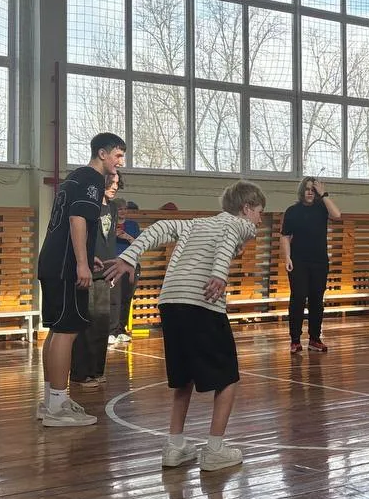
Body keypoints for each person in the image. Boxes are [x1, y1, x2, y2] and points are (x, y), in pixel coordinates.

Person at [105, 180, 266, 472]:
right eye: (259, 212)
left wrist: (129, 256)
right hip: (200, 301)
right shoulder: (238, 224)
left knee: (183, 378)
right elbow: (230, 238)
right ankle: (215, 449)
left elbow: (159, 228)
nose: (259, 220)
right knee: (228, 377)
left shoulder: (196, 224)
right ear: (246, 208)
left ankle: (175, 445)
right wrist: (219, 274)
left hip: (170, 301)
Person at [34, 132, 125, 427]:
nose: (121, 162)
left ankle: (51, 401)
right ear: (102, 153)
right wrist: (81, 263)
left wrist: (87, 255)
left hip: (53, 262)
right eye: (118, 155)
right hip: (65, 267)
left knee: (56, 330)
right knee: (67, 331)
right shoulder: (92, 179)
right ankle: (58, 406)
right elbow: (77, 220)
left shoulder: (74, 177)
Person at [280, 176, 342, 354]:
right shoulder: (292, 211)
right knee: (298, 298)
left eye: (313, 190)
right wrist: (287, 257)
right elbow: (285, 236)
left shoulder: (322, 208)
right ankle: (295, 340)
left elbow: (337, 215)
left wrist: (324, 194)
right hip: (298, 261)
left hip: (319, 262)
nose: (310, 192)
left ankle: (314, 339)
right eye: (307, 189)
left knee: (317, 300)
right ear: (302, 191)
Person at [70, 173, 121, 388]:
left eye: (117, 183)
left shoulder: (114, 208)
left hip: (105, 272)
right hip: (88, 270)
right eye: (111, 183)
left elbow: (110, 239)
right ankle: (81, 373)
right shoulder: (89, 206)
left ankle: (97, 370)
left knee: (101, 324)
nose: (114, 187)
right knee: (86, 324)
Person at [111, 195, 140, 343]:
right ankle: (112, 331)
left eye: (124, 209)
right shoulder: (110, 224)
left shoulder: (133, 225)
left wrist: (127, 237)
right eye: (119, 209)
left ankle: (121, 329)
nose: (122, 212)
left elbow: (139, 245)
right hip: (114, 265)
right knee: (114, 298)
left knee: (126, 298)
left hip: (131, 266)